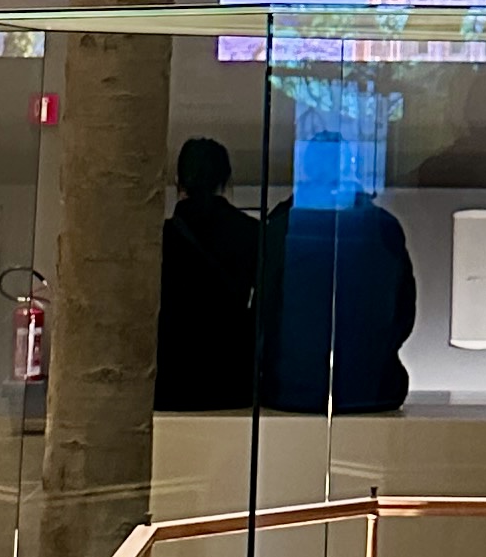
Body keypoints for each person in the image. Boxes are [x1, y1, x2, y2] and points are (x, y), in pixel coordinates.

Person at [258, 129, 417, 414]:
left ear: (305, 169)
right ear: (348, 168)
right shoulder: (383, 228)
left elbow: (264, 313)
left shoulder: (282, 229)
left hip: (291, 389)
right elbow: (404, 313)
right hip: (372, 389)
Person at [155, 136, 259, 409]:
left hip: (171, 382)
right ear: (225, 181)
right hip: (231, 380)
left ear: (178, 181)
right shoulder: (251, 233)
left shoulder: (159, 239)